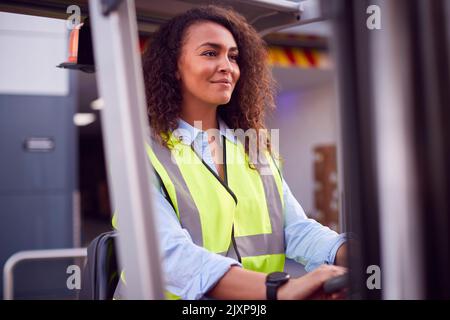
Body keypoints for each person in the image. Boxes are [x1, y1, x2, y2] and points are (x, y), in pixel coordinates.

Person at [116, 5, 348, 300]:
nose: (227, 65)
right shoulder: (141, 151)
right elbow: (166, 254)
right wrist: (280, 290)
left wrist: (349, 252)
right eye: (210, 53)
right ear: (174, 65)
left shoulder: (253, 146)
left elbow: (296, 229)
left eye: (233, 56)